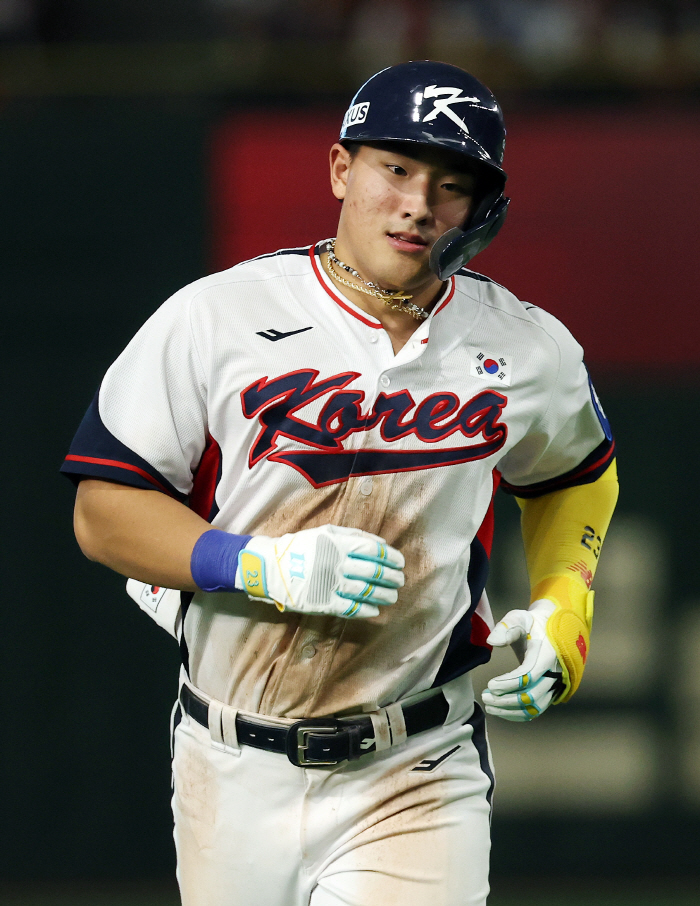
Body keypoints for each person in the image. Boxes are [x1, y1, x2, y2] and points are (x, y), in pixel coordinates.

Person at [61, 61, 618, 906]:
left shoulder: (528, 348)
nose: (418, 204)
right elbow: (103, 513)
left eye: (451, 185)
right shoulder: (216, 315)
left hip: (416, 763)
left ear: (483, 211)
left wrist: (565, 601)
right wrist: (259, 565)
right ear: (340, 170)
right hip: (230, 761)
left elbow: (577, 476)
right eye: (395, 168)